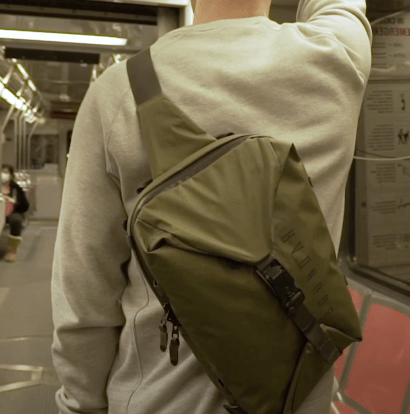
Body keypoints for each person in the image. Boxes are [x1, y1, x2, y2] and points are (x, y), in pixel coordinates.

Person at [50, 0, 372, 413]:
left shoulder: (117, 94)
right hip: (299, 400)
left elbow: (84, 300)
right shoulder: (336, 58)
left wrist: (79, 405)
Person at [2, 164, 29, 262]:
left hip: (12, 212)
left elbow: (25, 205)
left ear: (11, 175)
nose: (2, 175)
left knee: (16, 220)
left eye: (5, 172)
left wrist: (15, 203)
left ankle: (12, 251)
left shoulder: (15, 188)